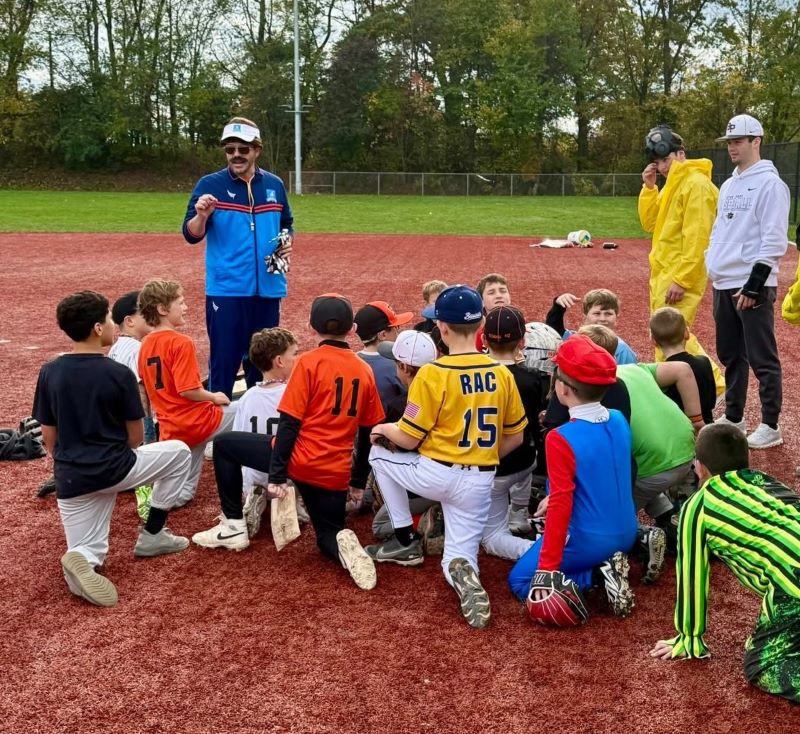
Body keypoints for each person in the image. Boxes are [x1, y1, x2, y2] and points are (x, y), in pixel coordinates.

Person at [192, 294, 385, 592]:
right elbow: (367, 430)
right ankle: (343, 543)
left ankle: (233, 526)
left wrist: (279, 475)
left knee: (225, 445)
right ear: (353, 327)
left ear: (311, 327)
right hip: (334, 471)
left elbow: (289, 423)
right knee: (326, 536)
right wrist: (357, 480)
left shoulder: (307, 363)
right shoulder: (364, 369)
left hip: (299, 458)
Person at [366, 285, 528, 629]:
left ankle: (404, 538)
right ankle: (467, 573)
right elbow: (516, 436)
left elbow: (408, 438)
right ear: (480, 323)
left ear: (441, 327)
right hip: (480, 480)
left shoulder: (431, 373)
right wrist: (480, 456)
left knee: (377, 454)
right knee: (458, 555)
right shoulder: (503, 374)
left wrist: (383, 430)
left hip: (433, 474)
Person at [32, 291, 192, 607]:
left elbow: (49, 437)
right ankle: (154, 534)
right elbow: (135, 438)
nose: (111, 324)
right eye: (107, 319)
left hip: (70, 476)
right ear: (96, 328)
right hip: (115, 467)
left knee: (90, 549)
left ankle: (79, 558)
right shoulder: (118, 373)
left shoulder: (49, 372)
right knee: (179, 452)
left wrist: (73, 460)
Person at [650, 423, 800, 704]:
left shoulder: (697, 507)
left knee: (761, 665)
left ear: (700, 467)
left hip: (792, 581)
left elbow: (692, 576)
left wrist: (688, 637)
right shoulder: (764, 480)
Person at [508, 335, 638, 618]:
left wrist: (547, 568)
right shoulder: (617, 418)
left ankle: (595, 577)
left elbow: (561, 507)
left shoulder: (560, 437)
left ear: (563, 389)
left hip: (589, 537)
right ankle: (605, 568)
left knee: (519, 581)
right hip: (627, 530)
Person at [182, 116, 294, 398]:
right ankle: (217, 430)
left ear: (257, 150)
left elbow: (286, 222)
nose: (236, 155)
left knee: (265, 361)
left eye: (243, 149)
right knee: (225, 361)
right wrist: (202, 215)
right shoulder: (210, 185)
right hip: (227, 290)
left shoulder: (275, 184)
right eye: (230, 149)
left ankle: (257, 424)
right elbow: (191, 234)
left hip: (268, 289)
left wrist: (283, 247)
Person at [706, 114, 790, 450]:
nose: (732, 147)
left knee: (762, 356)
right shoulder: (728, 184)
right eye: (729, 142)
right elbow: (720, 229)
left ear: (757, 141)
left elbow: (773, 239)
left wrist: (756, 283)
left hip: (750, 283)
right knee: (730, 354)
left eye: (739, 141)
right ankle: (735, 415)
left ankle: (770, 424)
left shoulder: (771, 184)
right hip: (723, 281)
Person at [638, 125, 724, 393]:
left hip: (679, 274)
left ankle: (716, 384)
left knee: (674, 335)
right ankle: (672, 389)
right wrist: (650, 188)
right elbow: (650, 223)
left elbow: (699, 239)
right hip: (664, 273)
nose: (662, 167)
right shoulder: (673, 186)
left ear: (681, 154)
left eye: (666, 160)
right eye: (658, 162)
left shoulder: (696, 186)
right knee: (664, 336)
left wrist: (682, 279)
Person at [138, 279, 236, 506]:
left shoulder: (144, 344)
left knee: (182, 493)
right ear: (162, 309)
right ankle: (261, 483)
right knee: (247, 408)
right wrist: (214, 396)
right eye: (180, 303)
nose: (186, 307)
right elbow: (189, 390)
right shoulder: (181, 342)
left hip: (171, 427)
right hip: (196, 421)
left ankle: (162, 500)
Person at [230, 327, 303, 537]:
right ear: (280, 361)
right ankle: (294, 502)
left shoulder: (247, 397)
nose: (297, 359)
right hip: (285, 477)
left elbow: (238, 442)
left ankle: (257, 495)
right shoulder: (294, 393)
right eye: (294, 354)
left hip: (254, 475)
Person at [371, 329, 440, 546]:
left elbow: (405, 443)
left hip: (430, 482)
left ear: (403, 367)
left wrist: (382, 430)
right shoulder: (449, 390)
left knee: (379, 525)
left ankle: (422, 525)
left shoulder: (400, 405)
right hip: (471, 474)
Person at [483, 305, 541, 542]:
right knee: (527, 454)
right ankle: (518, 512)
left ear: (485, 339)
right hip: (525, 460)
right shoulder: (532, 378)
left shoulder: (478, 376)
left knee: (490, 536)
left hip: (492, 467)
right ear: (522, 340)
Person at [649, 307, 716, 424]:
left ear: (653, 340)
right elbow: (711, 401)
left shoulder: (661, 375)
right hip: (707, 427)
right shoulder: (704, 362)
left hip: (680, 432)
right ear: (686, 333)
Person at [546, 288, 637, 364]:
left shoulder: (623, 351)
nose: (602, 319)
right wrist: (558, 307)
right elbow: (553, 331)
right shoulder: (573, 339)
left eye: (608, 314)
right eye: (597, 313)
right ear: (585, 315)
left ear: (616, 317)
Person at [354, 301, 413, 410]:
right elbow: (414, 403)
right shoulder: (397, 365)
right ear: (383, 335)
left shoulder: (351, 361)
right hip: (391, 424)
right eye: (396, 327)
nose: (398, 332)